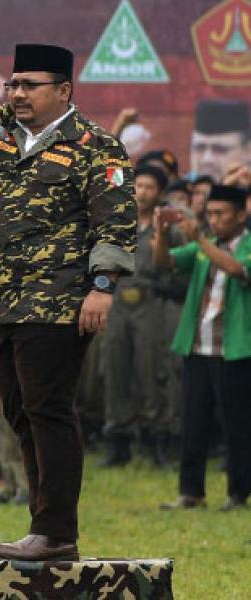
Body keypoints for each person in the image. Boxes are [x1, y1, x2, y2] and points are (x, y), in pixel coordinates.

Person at [0, 19, 136, 560]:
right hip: (7, 301)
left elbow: (114, 222)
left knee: (49, 409)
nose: (16, 94)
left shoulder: (95, 146)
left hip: (60, 302)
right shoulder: (2, 135)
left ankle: (56, 532)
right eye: (13, 85)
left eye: (29, 85)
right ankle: (43, 526)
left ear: (63, 90)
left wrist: (103, 287)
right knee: (20, 412)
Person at [155, 185, 251, 512]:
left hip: (234, 349)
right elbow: (165, 262)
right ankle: (190, 492)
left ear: (241, 214)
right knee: (193, 420)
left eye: (220, 214)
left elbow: (237, 270)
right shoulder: (203, 247)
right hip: (197, 346)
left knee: (236, 423)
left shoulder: (243, 245)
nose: (214, 219)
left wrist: (200, 239)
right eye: (210, 214)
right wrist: (161, 231)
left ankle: (238, 494)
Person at [100, 166, 183, 468]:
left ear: (160, 192)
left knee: (153, 369)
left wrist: (160, 236)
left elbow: (166, 266)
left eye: (149, 187)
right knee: (115, 367)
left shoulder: (168, 226)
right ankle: (118, 441)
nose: (143, 192)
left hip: (150, 299)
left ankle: (157, 439)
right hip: (117, 298)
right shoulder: (118, 222)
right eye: (139, 186)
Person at [190, 99, 249, 182]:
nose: (207, 159)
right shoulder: (181, 191)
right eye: (199, 148)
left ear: (248, 151)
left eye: (220, 149)